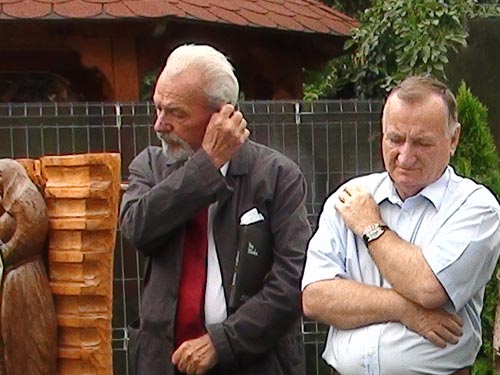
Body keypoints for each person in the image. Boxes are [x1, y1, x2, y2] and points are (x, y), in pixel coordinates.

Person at [120, 44, 311, 375]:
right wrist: (206, 168)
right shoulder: (149, 166)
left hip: (251, 361)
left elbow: (292, 279)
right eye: (157, 109)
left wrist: (222, 343)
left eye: (177, 113)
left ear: (222, 115)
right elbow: (138, 229)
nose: (159, 125)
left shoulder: (277, 176)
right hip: (162, 362)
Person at [301, 75, 500, 375]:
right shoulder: (349, 197)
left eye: (422, 142)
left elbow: (428, 287)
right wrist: (405, 310)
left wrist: (371, 226)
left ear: (453, 139)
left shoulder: (476, 208)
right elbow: (315, 298)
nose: (405, 156)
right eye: (395, 139)